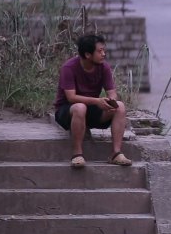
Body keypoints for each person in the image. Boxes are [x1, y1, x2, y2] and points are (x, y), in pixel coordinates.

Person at [54, 34, 132, 168]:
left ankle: (116, 153)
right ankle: (77, 154)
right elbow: (71, 97)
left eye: (104, 50)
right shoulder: (69, 68)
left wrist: (111, 101)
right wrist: (97, 101)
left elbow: (112, 92)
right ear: (88, 54)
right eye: (100, 51)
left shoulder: (104, 67)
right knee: (80, 107)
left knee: (120, 106)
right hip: (68, 111)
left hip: (91, 111)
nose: (104, 54)